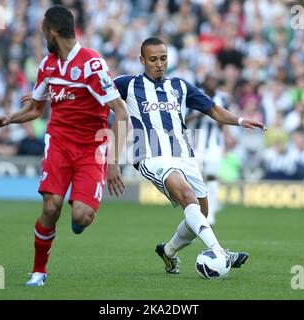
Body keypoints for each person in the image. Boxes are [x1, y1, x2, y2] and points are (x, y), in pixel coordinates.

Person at [0, 5, 128, 287]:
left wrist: (114, 163)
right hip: (59, 143)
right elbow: (36, 108)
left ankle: (80, 216)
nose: (43, 38)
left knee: (82, 217)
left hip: (91, 147)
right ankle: (39, 271)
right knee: (51, 208)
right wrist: (10, 119)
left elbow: (121, 112)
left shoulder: (92, 64)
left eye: (43, 32)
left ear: (52, 33)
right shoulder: (47, 65)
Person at [113, 37, 266, 274]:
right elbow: (95, 90)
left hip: (184, 154)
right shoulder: (128, 84)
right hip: (150, 154)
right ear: (141, 60)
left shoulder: (180, 86)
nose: (159, 64)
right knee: (187, 197)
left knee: (200, 215)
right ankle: (220, 252)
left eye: (163, 58)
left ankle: (168, 251)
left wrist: (240, 120)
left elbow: (212, 109)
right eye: (152, 59)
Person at [185, 74, 229, 226]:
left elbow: (223, 122)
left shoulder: (221, 99)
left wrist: (216, 118)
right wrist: (200, 113)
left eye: (214, 80)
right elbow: (184, 119)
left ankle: (212, 211)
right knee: (197, 177)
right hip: (196, 142)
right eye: (209, 80)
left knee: (211, 176)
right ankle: (200, 210)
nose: (212, 83)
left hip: (213, 144)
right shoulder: (195, 97)